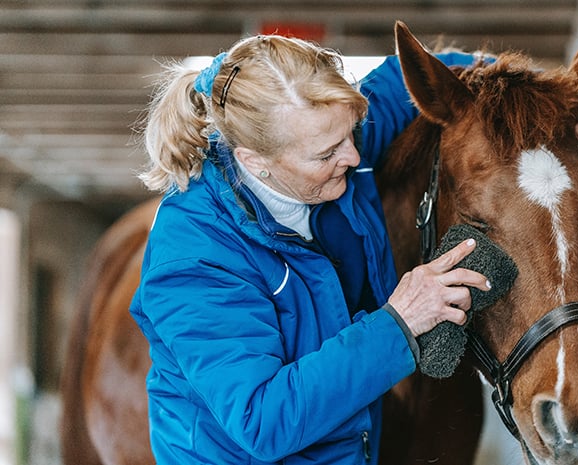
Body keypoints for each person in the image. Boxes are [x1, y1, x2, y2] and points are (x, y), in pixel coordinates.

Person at [129, 34, 491, 464]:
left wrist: (551, 100)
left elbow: (416, 74)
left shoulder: (327, 134)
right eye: (327, 154)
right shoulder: (195, 257)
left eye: (351, 134)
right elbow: (262, 420)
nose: (355, 157)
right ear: (253, 160)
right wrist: (401, 323)